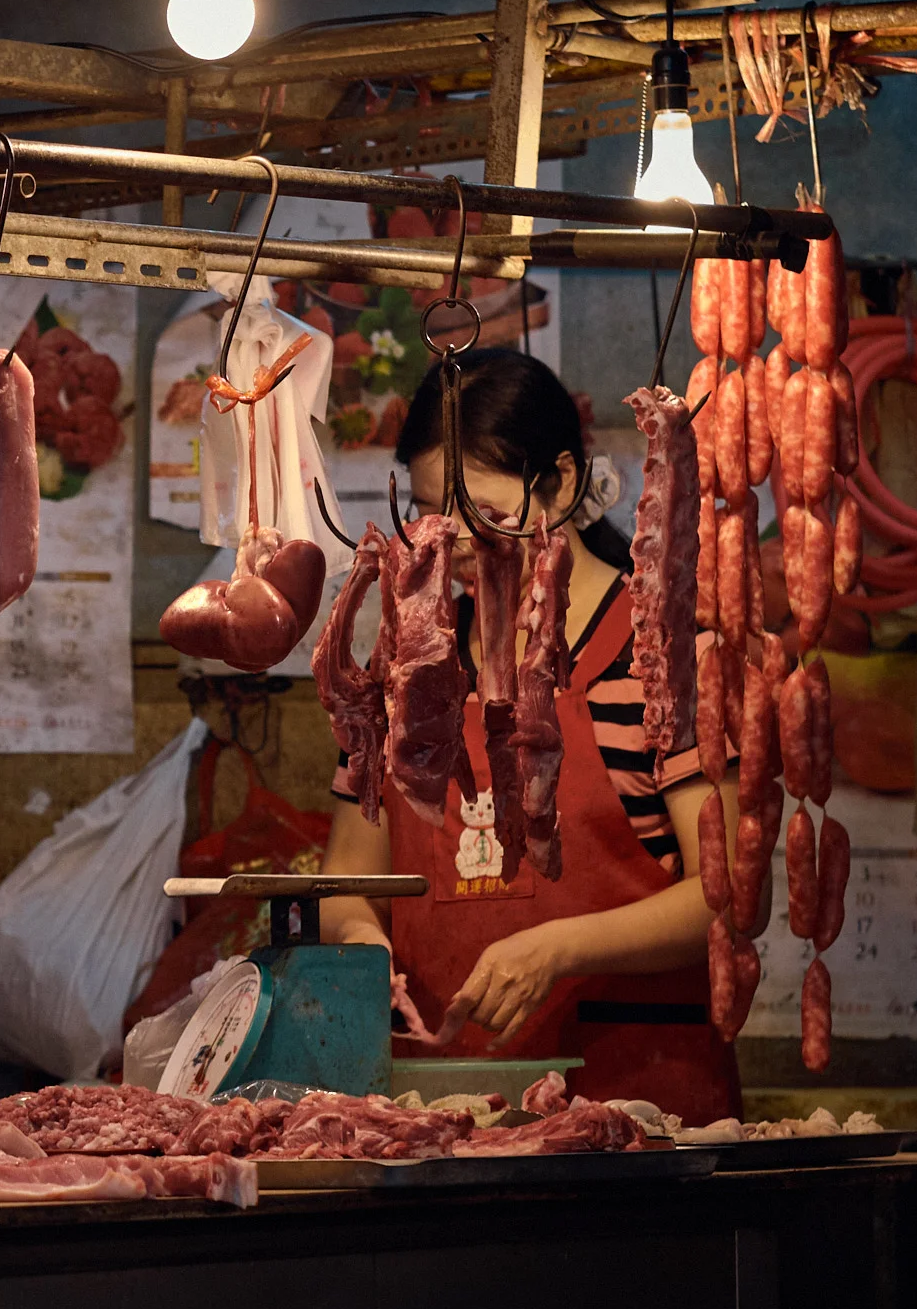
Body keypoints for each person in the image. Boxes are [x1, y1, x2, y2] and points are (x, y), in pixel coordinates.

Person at [320, 350, 748, 1122]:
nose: (444, 539)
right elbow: (348, 879)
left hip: (640, 1127)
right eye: (425, 510)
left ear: (560, 483)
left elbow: (727, 902)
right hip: (438, 1119)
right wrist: (362, 948)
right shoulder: (407, 669)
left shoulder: (661, 658)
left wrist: (560, 949)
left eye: (478, 509)